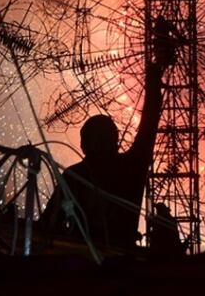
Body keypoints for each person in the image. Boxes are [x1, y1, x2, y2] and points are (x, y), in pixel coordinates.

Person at [40, 15, 177, 249]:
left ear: (83, 145)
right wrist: (156, 72)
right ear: (115, 141)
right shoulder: (131, 167)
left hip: (82, 260)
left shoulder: (76, 175)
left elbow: (47, 225)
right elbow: (150, 122)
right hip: (123, 258)